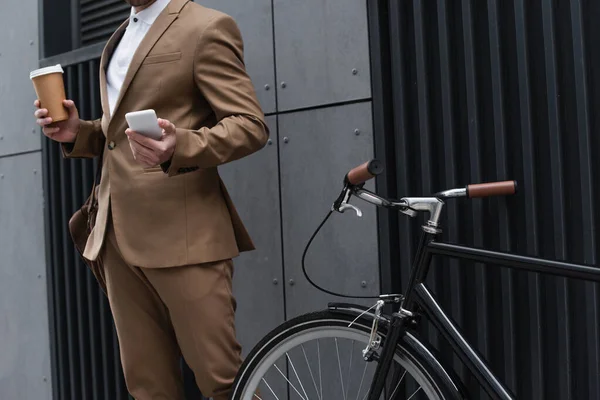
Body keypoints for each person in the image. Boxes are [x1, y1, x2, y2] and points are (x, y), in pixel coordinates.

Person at [33, 0, 269, 398]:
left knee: (224, 383)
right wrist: (78, 132)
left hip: (185, 237)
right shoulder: (120, 36)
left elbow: (250, 126)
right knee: (148, 387)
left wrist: (183, 144)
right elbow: (117, 135)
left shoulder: (207, 26)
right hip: (116, 236)